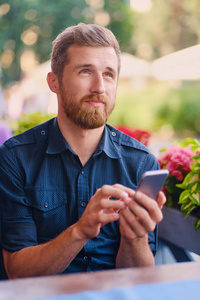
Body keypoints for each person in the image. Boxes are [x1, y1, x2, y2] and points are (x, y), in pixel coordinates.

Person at [0, 23, 166, 279]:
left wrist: (135, 237)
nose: (99, 86)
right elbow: (17, 272)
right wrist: (80, 231)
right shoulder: (14, 158)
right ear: (54, 82)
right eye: (85, 71)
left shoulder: (141, 162)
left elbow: (140, 278)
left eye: (109, 74)